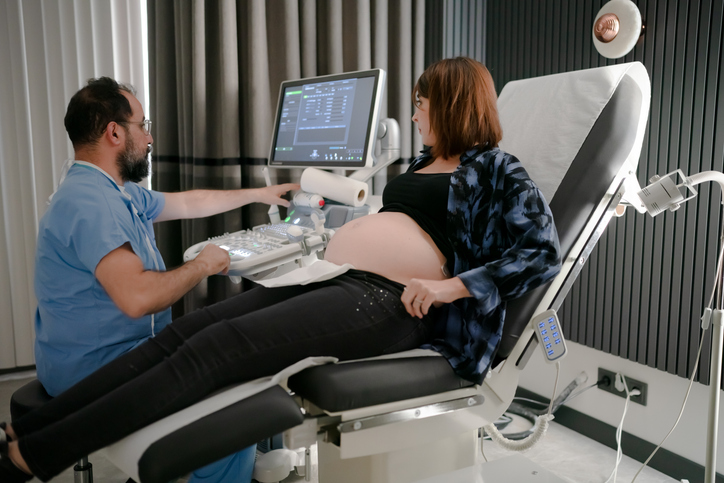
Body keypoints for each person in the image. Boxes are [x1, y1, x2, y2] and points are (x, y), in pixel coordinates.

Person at [0, 57, 561, 483]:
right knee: (189, 332)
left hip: (390, 303)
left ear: (453, 103)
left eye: (422, 102)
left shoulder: (495, 169)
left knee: (219, 350)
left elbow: (541, 251)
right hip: (339, 279)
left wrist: (448, 287)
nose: (415, 113)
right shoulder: (422, 162)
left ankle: (30, 456)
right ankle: (22, 432)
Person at [30, 77, 298, 482]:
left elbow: (190, 202)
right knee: (237, 409)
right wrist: (203, 265)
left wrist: (259, 195)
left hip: (96, 355)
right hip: (97, 371)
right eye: (143, 124)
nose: (150, 136)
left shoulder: (110, 189)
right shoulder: (92, 204)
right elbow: (137, 298)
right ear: (115, 132)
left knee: (235, 347)